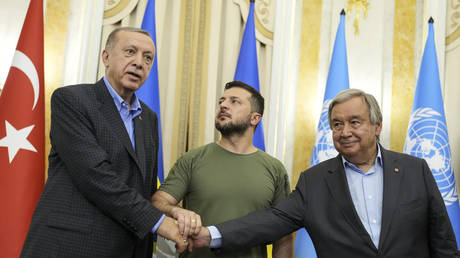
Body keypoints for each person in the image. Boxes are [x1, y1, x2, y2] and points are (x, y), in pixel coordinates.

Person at [190, 88, 459, 258]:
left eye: (355, 122)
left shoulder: (415, 170)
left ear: (377, 126)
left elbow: (443, 241)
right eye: (337, 124)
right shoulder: (315, 181)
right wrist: (210, 234)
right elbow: (270, 220)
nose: (345, 132)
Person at [21, 27, 187, 258]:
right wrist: (159, 222)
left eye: (147, 58)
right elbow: (95, 175)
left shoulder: (148, 118)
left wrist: (169, 215)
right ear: (106, 57)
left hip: (127, 247)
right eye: (130, 52)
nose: (139, 63)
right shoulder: (72, 100)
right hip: (71, 246)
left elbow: (145, 188)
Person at [152, 81, 293, 258]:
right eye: (221, 101)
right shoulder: (192, 159)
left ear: (255, 118)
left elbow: (283, 235)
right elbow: (157, 203)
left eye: (234, 101)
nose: (223, 105)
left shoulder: (275, 169)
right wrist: (176, 211)